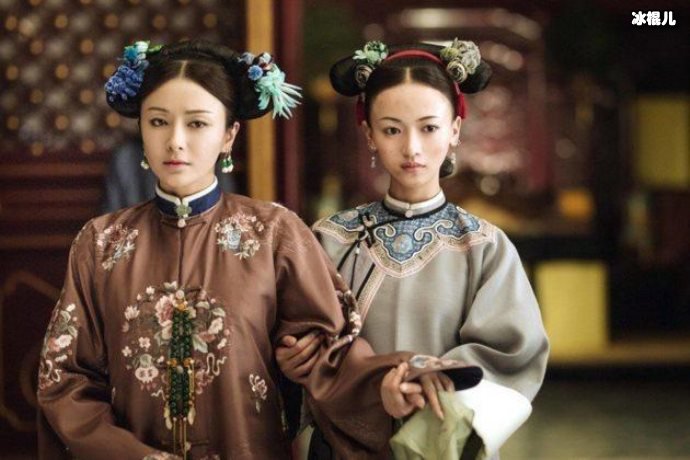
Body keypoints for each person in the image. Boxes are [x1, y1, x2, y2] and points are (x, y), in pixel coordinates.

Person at [36, 39, 452, 460]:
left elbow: (330, 355)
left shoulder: (273, 234)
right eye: (158, 122)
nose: (175, 141)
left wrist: (389, 382)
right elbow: (66, 380)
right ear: (141, 129)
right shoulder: (101, 242)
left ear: (229, 134)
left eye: (197, 124)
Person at [277, 40, 550, 459]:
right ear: (368, 134)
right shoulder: (330, 239)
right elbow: (301, 345)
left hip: (442, 446)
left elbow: (511, 354)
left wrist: (428, 382)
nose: (412, 148)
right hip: (343, 447)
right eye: (392, 129)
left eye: (429, 127)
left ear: (455, 129)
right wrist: (293, 361)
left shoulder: (483, 246)